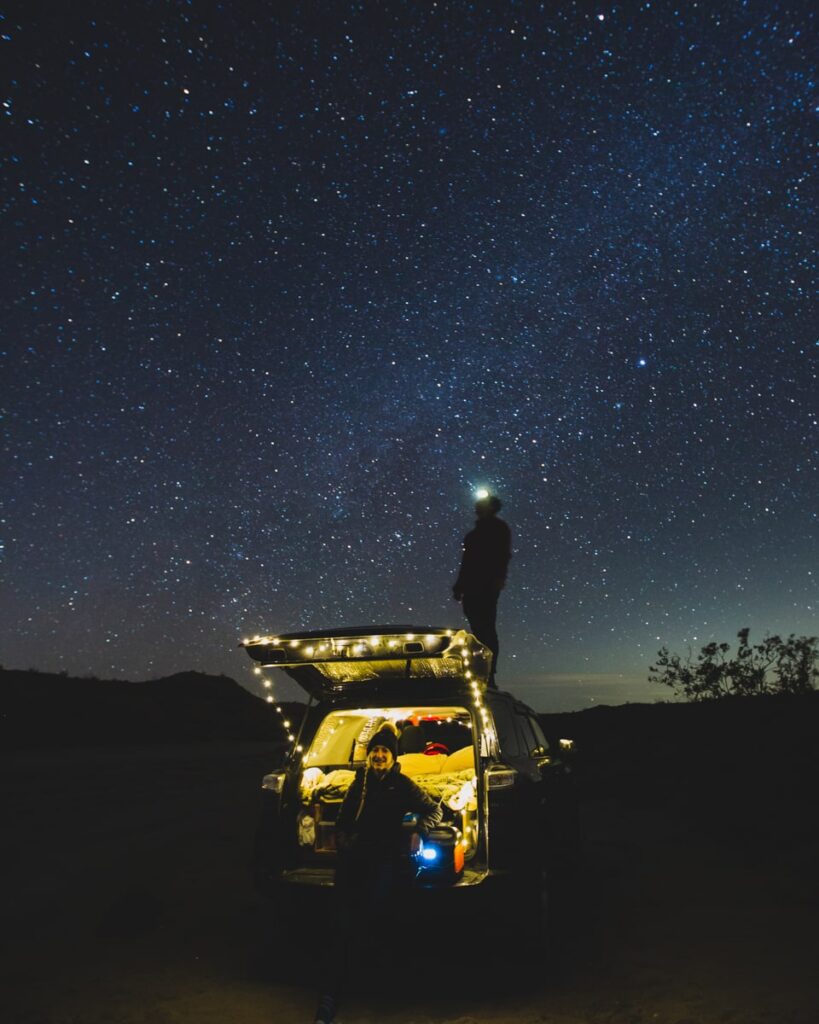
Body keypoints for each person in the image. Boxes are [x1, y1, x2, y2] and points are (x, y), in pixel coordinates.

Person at [313, 723, 442, 1024]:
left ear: (394, 757)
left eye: (384, 751)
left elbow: (435, 810)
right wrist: (346, 845)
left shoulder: (403, 785)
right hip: (352, 861)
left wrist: (420, 833)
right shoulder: (359, 784)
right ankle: (329, 998)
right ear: (369, 756)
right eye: (375, 751)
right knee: (341, 921)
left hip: (383, 860)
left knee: (372, 916)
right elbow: (343, 822)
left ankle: (373, 987)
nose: (379, 756)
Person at [452, 493, 512, 686]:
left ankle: (489, 673)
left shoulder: (499, 529)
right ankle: (481, 671)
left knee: (486, 628)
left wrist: (498, 579)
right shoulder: (472, 536)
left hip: (486, 585)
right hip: (472, 586)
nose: (477, 509)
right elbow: (466, 562)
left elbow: (503, 555)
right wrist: (460, 585)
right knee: (478, 630)